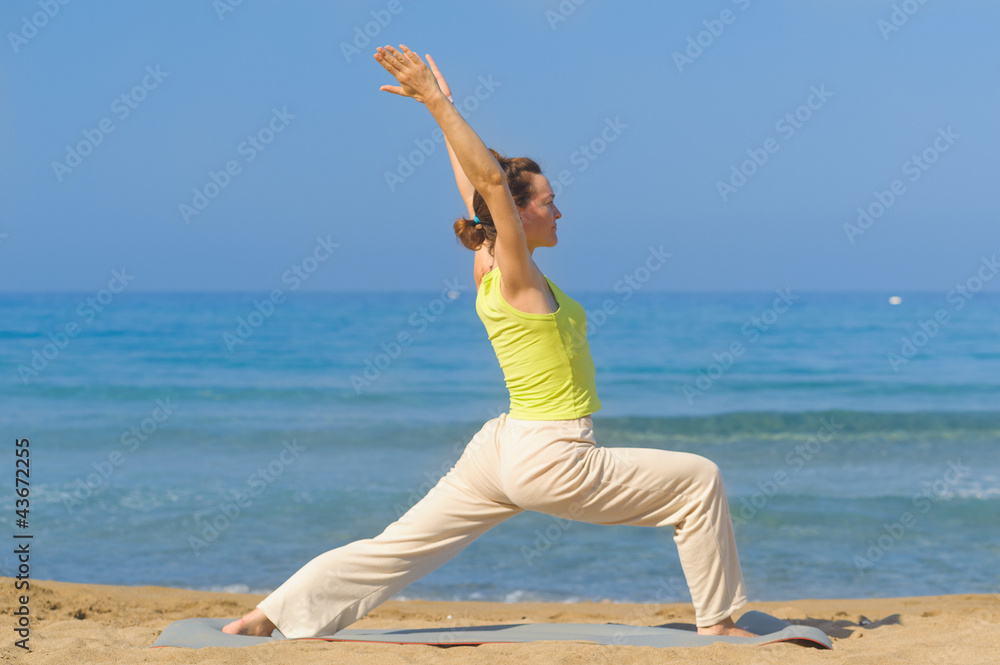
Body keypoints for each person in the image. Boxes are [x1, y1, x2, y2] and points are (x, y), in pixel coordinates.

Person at [223, 44, 753, 639]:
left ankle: (264, 617)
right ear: (518, 215)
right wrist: (435, 101)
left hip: (501, 450)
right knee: (699, 479)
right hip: (553, 455)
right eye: (549, 202)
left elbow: (477, 188)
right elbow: (488, 183)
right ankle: (718, 623)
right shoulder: (519, 275)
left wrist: (441, 108)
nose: (560, 212)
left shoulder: (489, 260)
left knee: (397, 547)